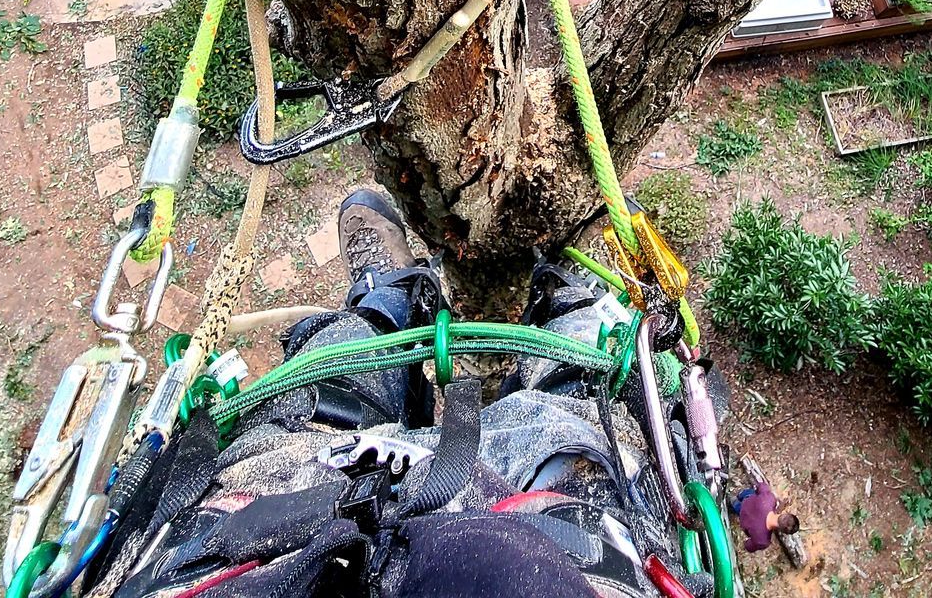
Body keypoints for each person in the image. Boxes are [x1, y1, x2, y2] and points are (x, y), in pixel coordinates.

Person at [85, 188, 720, 597]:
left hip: (262, 525)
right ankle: (565, 299)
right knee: (583, 400)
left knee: (334, 366)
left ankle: (387, 300)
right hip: (573, 541)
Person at [728, 482, 798, 554]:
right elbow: (748, 546)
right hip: (742, 517)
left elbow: (762, 486)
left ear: (784, 513)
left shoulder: (769, 500)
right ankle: (732, 503)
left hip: (747, 499)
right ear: (781, 531)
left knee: (749, 493)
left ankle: (736, 496)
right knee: (737, 507)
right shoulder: (763, 541)